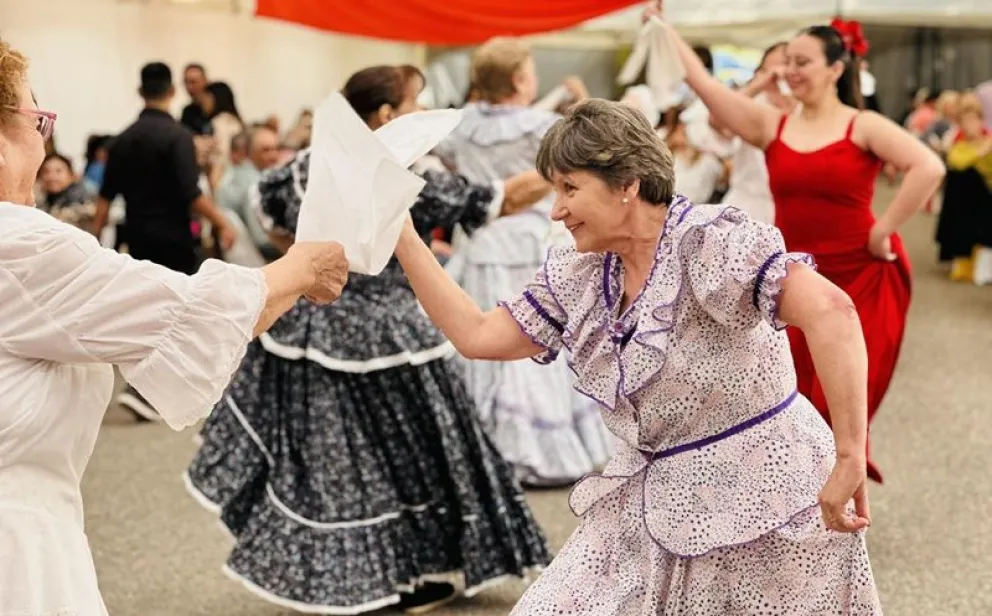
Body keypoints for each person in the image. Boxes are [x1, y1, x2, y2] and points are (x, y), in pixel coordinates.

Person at [393, 98, 881, 614]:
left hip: (765, 493)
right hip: (651, 495)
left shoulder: (711, 244)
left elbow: (834, 311)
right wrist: (403, 234)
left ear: (627, 183)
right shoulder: (579, 274)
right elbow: (477, 335)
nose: (555, 209)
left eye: (570, 188)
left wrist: (850, 455)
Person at [0, 38, 351, 616]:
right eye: (37, 117)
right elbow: (193, 314)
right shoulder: (24, 245)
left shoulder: (121, 149)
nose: (44, 135)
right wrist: (301, 264)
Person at [185, 64, 551, 615]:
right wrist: (570, 165)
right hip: (386, 334)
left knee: (330, 462)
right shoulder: (402, 169)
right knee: (401, 457)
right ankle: (380, 578)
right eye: (414, 102)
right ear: (384, 114)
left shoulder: (304, 167)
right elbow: (498, 199)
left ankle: (362, 581)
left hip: (308, 328)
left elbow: (275, 221)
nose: (421, 114)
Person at [659, 9, 945, 482]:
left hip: (860, 276)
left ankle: (836, 498)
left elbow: (928, 167)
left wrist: (883, 229)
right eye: (787, 61)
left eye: (803, 62)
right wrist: (667, 33)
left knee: (845, 399)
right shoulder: (774, 125)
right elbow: (709, 91)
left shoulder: (863, 125)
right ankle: (794, 496)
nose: (791, 71)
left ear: (836, 69)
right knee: (786, 396)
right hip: (794, 280)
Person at [435, 37, 614, 487]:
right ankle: (534, 450)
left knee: (479, 336)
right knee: (532, 338)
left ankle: (479, 448)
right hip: (531, 242)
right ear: (518, 79)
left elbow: (449, 169)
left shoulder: (460, 124)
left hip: (480, 244)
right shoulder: (541, 126)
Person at [92, 62, 238, 421]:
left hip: (138, 239)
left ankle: (152, 389)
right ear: (172, 92)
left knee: (153, 314)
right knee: (186, 315)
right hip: (175, 238)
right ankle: (148, 391)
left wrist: (94, 239)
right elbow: (190, 194)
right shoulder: (177, 137)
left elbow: (105, 199)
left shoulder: (122, 140)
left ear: (140, 92)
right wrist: (221, 221)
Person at [37, 152, 97, 230]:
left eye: (58, 171)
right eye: (46, 172)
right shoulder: (40, 202)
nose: (52, 176)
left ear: (71, 175)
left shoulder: (83, 203)